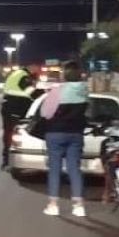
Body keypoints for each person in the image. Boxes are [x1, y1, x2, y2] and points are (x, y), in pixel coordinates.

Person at [40, 61, 90, 217]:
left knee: (54, 169)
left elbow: (45, 113)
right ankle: (79, 206)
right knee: (74, 169)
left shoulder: (57, 91)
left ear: (65, 74)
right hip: (75, 133)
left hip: (55, 133)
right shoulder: (84, 91)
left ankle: (53, 205)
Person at [1, 65, 39, 169]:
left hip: (7, 106)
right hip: (17, 106)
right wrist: (35, 87)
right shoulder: (24, 76)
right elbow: (28, 93)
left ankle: (6, 161)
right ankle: (14, 160)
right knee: (18, 133)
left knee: (8, 133)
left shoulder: (16, 74)